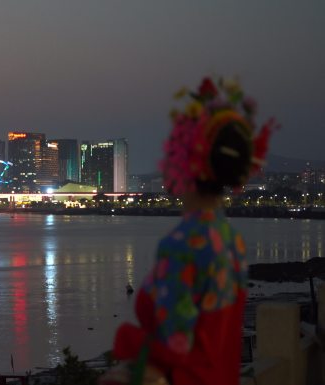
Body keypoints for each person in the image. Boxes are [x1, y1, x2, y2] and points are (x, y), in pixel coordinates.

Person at [109, 77, 276, 385]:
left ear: (185, 165)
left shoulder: (183, 244)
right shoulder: (230, 239)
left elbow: (175, 346)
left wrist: (126, 342)